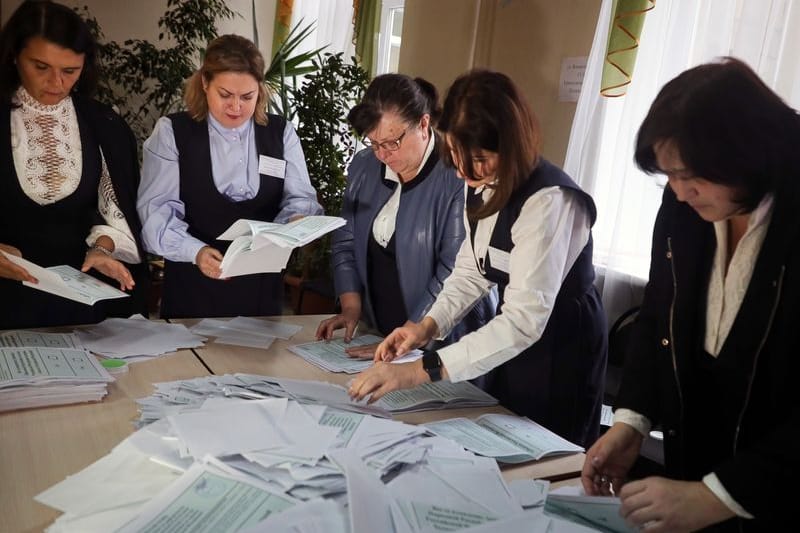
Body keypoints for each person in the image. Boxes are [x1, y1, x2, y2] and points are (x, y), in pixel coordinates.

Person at [581, 58, 800, 532]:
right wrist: (630, 423)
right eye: (668, 177)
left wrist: (721, 495)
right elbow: (661, 310)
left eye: (687, 175)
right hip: (693, 460)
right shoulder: (688, 198)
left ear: (744, 151)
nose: (679, 194)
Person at [348, 70, 607, 448]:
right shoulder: (481, 183)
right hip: (511, 340)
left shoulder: (549, 202)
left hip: (560, 350)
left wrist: (422, 370)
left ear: (512, 144)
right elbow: (472, 271)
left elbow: (523, 323)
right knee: (504, 442)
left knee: (545, 458)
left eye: (480, 158)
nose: (465, 170)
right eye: (455, 154)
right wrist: (426, 326)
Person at [137, 34, 322, 318]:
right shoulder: (173, 133)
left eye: (247, 96)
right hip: (192, 286)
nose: (236, 107)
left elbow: (300, 198)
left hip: (262, 290)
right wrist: (194, 251)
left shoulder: (281, 132)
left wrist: (295, 222)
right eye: (225, 95)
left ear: (260, 89)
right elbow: (155, 215)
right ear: (204, 83)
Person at [315, 74, 495, 351]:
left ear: (423, 124)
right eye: (374, 143)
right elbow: (346, 242)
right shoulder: (364, 167)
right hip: (379, 331)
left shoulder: (457, 176)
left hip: (444, 338)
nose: (382, 154)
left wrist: (411, 334)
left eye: (391, 142)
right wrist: (351, 308)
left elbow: (453, 268)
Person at [0, 0, 148, 329]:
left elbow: (117, 214)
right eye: (41, 67)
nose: (56, 82)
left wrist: (103, 249)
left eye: (70, 71)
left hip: (80, 302)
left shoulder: (105, 125)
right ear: (14, 56)